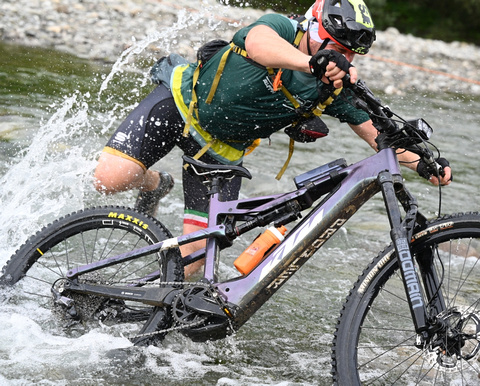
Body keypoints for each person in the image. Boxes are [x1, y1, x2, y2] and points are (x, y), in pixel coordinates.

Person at [93, 0, 452, 278]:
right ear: (314, 26)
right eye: (338, 48)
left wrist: (422, 162)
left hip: (221, 154)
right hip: (180, 104)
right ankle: (155, 183)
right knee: (108, 181)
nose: (343, 58)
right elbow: (257, 43)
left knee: (192, 262)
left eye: (350, 54)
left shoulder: (335, 86)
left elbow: (377, 136)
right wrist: (309, 63)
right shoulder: (282, 28)